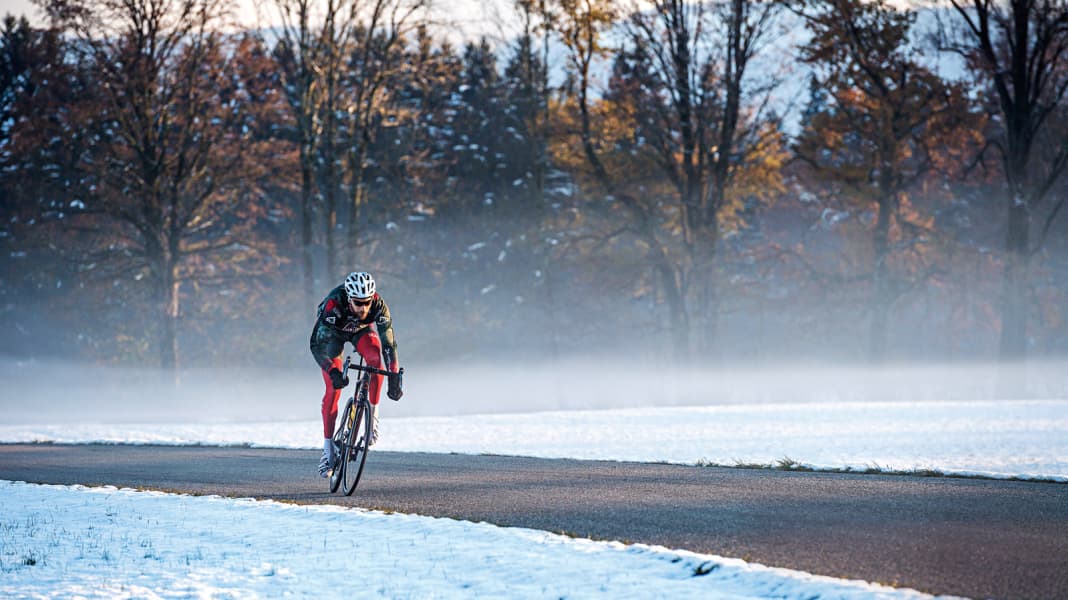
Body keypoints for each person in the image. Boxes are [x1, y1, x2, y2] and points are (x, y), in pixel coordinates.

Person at [310, 271, 402, 477]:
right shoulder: (334, 304)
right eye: (358, 303)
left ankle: (373, 417)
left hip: (361, 331)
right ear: (349, 299)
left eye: (367, 302)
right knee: (333, 389)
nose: (363, 308)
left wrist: (394, 376)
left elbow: (389, 343)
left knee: (375, 360)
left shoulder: (379, 306)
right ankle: (327, 450)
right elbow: (317, 345)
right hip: (332, 336)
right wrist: (332, 371)